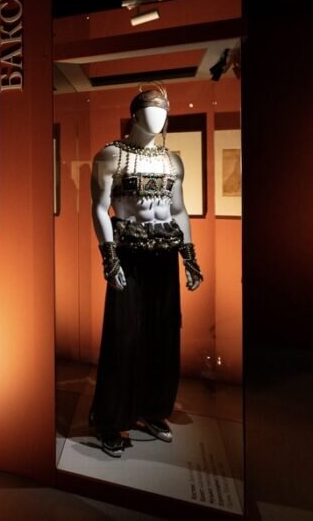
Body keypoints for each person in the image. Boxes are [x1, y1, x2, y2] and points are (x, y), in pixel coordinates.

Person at [88, 84, 203, 458]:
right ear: (135, 114)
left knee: (162, 335)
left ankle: (152, 409)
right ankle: (111, 419)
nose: (159, 117)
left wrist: (189, 257)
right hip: (129, 256)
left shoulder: (173, 162)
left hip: (164, 254)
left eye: (164, 111)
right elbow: (99, 208)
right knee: (125, 336)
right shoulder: (111, 156)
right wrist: (110, 259)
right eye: (152, 110)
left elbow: (179, 210)